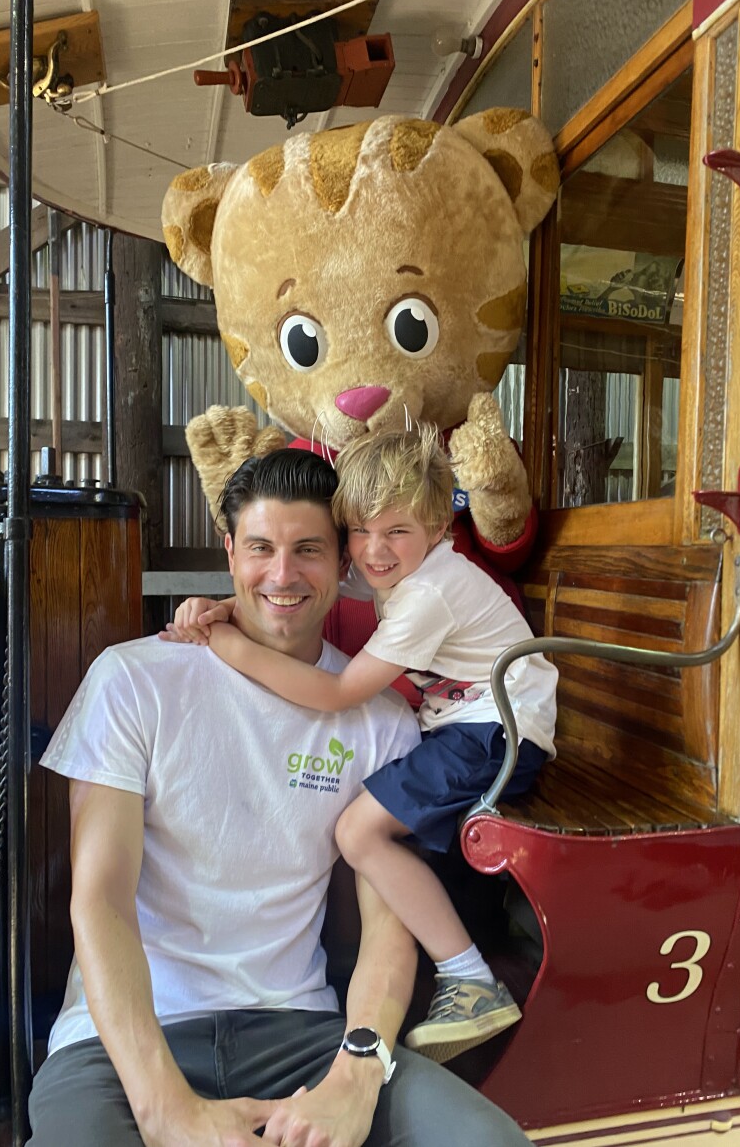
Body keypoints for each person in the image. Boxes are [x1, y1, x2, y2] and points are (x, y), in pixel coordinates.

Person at [27, 449, 530, 1147]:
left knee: (487, 1140)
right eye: (261, 547)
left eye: (309, 550)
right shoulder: (134, 680)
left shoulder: (381, 719)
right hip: (123, 1043)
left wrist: (356, 1074)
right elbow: (100, 896)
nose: (284, 574)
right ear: (230, 550)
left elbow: (388, 928)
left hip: (302, 1030)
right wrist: (165, 1107)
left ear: (345, 562)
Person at [168, 427, 558, 1065]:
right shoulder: (407, 573)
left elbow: (338, 693)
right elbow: (294, 591)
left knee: (360, 833)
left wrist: (230, 645)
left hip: (495, 733)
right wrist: (224, 606)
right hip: (476, 723)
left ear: (437, 527)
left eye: (395, 531)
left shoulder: (429, 593)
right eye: (359, 531)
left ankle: (469, 979)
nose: (374, 551)